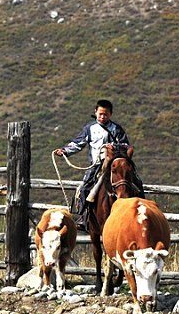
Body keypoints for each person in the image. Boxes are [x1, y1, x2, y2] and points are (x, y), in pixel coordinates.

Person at [53, 99, 143, 231]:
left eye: (105, 114)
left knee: (137, 184)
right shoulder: (89, 129)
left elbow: (125, 145)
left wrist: (113, 146)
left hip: (115, 164)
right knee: (85, 188)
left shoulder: (116, 129)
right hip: (96, 166)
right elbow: (78, 143)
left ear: (110, 114)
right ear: (95, 112)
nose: (102, 117)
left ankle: (142, 212)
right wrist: (64, 151)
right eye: (100, 114)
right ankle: (83, 217)